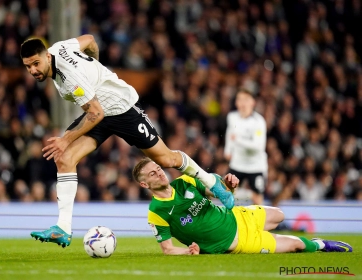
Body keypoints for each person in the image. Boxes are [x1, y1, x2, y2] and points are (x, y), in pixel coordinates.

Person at [19, 35, 232, 248]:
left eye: (36, 64)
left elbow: (96, 113)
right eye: (28, 66)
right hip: (98, 110)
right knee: (64, 158)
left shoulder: (69, 75)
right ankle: (63, 228)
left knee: (167, 159)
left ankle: (213, 183)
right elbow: (90, 40)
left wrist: (66, 139)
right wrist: (95, 67)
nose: (33, 70)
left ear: (47, 56)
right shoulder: (60, 48)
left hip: (121, 109)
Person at [132, 157, 353, 255]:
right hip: (237, 242)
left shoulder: (184, 182)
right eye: (152, 173)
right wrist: (188, 252)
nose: (159, 172)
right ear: (144, 184)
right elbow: (168, 249)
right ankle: (321, 245)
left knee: (280, 215)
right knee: (298, 245)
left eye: (158, 168)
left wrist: (228, 185)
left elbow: (216, 190)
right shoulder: (156, 213)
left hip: (238, 216)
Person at [224, 89, 267, 205]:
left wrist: (238, 140)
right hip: (237, 163)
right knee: (227, 193)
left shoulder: (259, 122)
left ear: (253, 102)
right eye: (240, 99)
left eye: (246, 100)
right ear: (236, 102)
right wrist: (227, 149)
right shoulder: (232, 117)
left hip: (255, 166)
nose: (243, 103)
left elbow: (258, 147)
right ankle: (231, 221)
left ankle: (257, 222)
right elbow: (230, 132)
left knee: (258, 199)